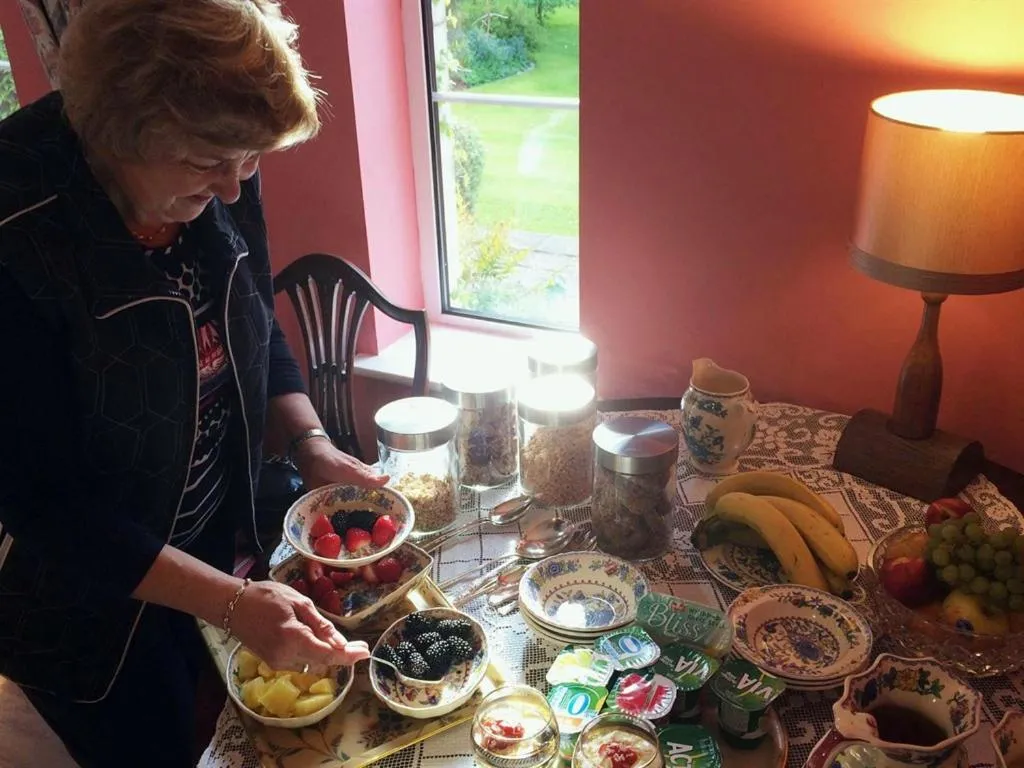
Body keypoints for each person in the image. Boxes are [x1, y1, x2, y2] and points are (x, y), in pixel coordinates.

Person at [0, 1, 385, 765]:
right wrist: (231, 601)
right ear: (122, 129)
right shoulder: (19, 230)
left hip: (216, 537)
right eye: (214, 163)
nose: (236, 188)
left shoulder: (217, 161)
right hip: (95, 605)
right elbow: (41, 502)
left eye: (250, 161)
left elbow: (253, 324)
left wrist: (311, 443)